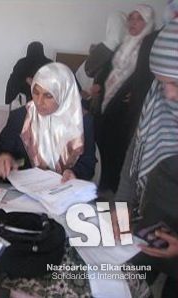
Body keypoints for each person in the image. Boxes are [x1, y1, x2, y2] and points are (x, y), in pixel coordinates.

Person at [113, 18, 178, 297]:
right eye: (162, 83)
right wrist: (122, 205)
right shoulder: (159, 99)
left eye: (175, 83)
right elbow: (136, 153)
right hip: (153, 220)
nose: (169, 95)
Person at [0, 62, 96, 182]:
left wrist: (74, 172)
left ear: (64, 94)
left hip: (63, 189)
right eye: (36, 93)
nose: (39, 101)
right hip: (27, 188)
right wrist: (3, 156)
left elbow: (88, 163)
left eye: (48, 95)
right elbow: (1, 147)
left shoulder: (82, 121)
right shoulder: (21, 116)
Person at [96, 4, 155, 193]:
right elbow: (110, 68)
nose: (133, 23)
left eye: (139, 19)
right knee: (103, 143)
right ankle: (101, 184)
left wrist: (137, 92)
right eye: (132, 18)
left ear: (148, 23)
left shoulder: (149, 47)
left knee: (118, 148)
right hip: (109, 98)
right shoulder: (124, 42)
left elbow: (149, 76)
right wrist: (99, 82)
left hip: (128, 107)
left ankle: (112, 192)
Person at [75, 11, 127, 113]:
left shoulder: (107, 47)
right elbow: (89, 71)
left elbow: (88, 71)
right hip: (93, 95)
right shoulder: (115, 48)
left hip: (95, 94)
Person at [5, 41, 52, 105]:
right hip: (43, 89)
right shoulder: (49, 63)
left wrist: (30, 81)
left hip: (26, 89)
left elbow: (15, 77)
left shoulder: (22, 62)